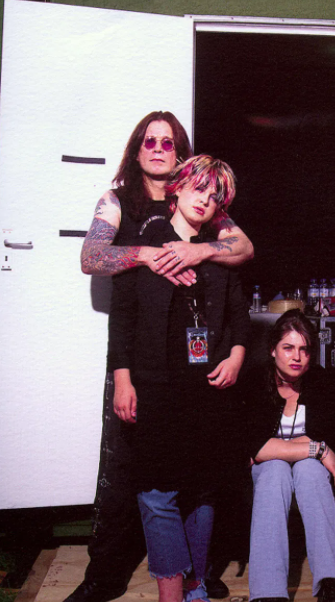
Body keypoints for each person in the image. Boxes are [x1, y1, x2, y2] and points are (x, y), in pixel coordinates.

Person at [69, 111, 253, 602]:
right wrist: (147, 254)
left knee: (199, 481)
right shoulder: (119, 201)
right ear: (137, 148)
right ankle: (104, 578)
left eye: (168, 142)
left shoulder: (203, 195)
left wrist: (199, 251)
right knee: (124, 479)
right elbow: (91, 259)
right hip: (140, 367)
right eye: (148, 140)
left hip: (195, 378)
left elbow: (242, 250)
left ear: (181, 154)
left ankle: (196, 575)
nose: (157, 148)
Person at [110, 153, 251, 602]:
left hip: (208, 391)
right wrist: (123, 379)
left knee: (202, 490)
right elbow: (124, 317)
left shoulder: (221, 251)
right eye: (198, 189)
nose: (205, 201)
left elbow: (239, 315)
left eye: (214, 197)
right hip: (153, 388)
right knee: (155, 493)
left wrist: (236, 356)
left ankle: (195, 591)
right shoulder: (143, 242)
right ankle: (173, 593)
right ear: (178, 188)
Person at [246, 310, 335, 602]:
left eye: (304, 349)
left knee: (310, 472)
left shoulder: (320, 382)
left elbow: (325, 432)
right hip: (270, 473)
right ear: (272, 350)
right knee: (274, 472)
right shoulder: (256, 381)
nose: (297, 357)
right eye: (288, 348)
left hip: (307, 470)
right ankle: (268, 593)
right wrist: (317, 448)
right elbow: (257, 448)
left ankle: (331, 584)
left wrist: (283, 447)